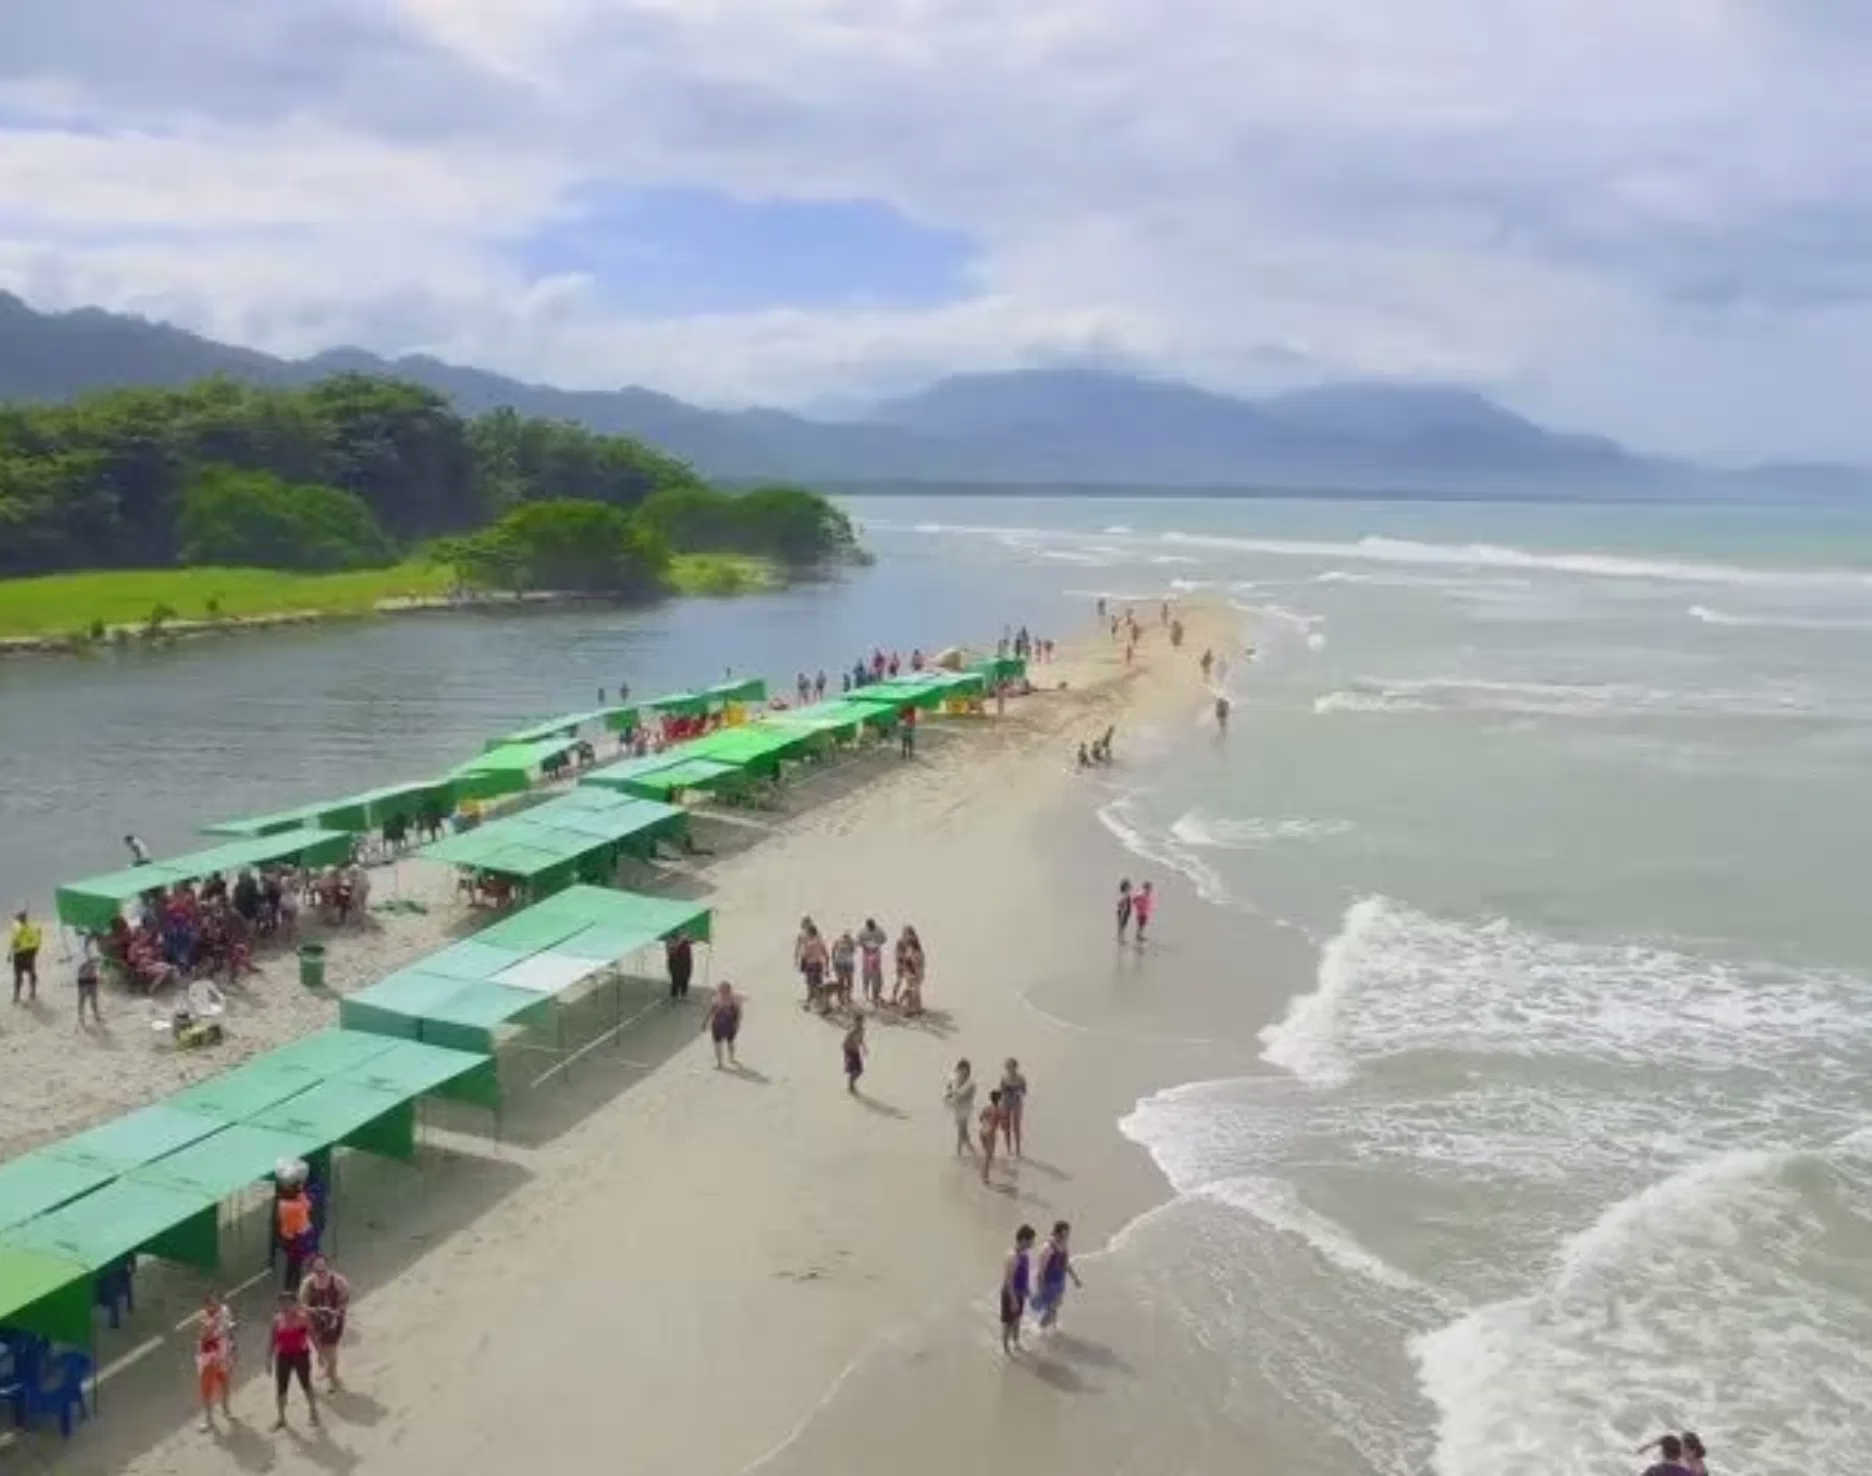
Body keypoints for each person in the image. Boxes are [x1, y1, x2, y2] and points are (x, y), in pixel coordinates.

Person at [268, 1292, 319, 1429]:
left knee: (306, 1384)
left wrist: (319, 1353)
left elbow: (313, 1335)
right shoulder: (277, 1320)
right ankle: (281, 1418)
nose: (285, 1306)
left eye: (288, 1303)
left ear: (295, 1304)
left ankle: (313, 1412)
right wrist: (268, 1358)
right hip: (283, 1356)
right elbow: (272, 1340)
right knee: (281, 1387)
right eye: (282, 1303)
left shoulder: (303, 1318)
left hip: (300, 1355)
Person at [300, 1254, 350, 1390]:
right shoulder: (307, 1284)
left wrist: (335, 1313)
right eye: (317, 1267)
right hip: (315, 1321)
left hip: (333, 1321)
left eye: (323, 1265)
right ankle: (326, 1367)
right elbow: (303, 1304)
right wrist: (318, 1311)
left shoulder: (338, 1281)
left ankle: (333, 1377)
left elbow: (345, 1299)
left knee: (331, 1350)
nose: (321, 1270)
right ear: (312, 1269)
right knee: (320, 1349)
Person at [1029, 1221, 1083, 1332]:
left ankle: (1053, 1328)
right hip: (1049, 1283)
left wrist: (1075, 1278)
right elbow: (1041, 1271)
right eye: (1063, 1234)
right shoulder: (1048, 1248)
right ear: (1057, 1233)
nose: (1066, 1237)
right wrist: (1040, 1289)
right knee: (1052, 1308)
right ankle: (1039, 1331)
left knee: (1055, 1307)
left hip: (1060, 1281)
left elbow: (1066, 1264)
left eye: (1067, 1234)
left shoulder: (1064, 1246)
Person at [196, 1289, 235, 1432]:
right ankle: (208, 1419)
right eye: (210, 1302)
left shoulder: (225, 1311)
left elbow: (229, 1331)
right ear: (206, 1304)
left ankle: (226, 1408)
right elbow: (204, 1336)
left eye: (216, 1301)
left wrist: (232, 1348)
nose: (214, 1305)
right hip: (208, 1357)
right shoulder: (203, 1317)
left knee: (225, 1383)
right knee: (207, 1388)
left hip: (223, 1354)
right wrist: (213, 1327)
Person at [1000, 1224, 1036, 1355]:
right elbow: (1008, 1281)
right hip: (1011, 1295)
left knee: (1017, 1320)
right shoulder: (1012, 1257)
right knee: (1008, 1323)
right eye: (1031, 1240)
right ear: (1024, 1240)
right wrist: (1013, 1300)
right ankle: (1005, 1349)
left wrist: (1028, 1292)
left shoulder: (1024, 1254)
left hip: (1020, 1294)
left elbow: (1023, 1276)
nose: (1033, 1243)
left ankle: (1016, 1342)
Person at [703, 981, 742, 1067]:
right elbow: (710, 1012)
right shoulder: (716, 1000)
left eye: (725, 990)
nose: (723, 992)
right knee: (717, 1044)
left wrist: (737, 1024)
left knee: (730, 1043)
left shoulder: (734, 1001)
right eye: (721, 990)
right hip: (717, 1025)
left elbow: (738, 1013)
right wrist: (705, 1022)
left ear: (729, 990)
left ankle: (731, 1058)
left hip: (729, 1025)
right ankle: (719, 1062)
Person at [943, 1059, 977, 1156]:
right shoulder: (955, 1079)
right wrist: (948, 1094)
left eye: (965, 1070)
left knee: (961, 1131)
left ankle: (959, 1152)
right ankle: (972, 1151)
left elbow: (962, 1096)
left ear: (968, 1070)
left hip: (966, 1109)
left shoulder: (971, 1083)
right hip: (957, 1108)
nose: (962, 1072)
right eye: (961, 1070)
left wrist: (952, 1094)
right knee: (963, 1132)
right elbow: (949, 1090)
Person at [9, 908, 41, 1004]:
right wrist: (35, 951)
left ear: (19, 919)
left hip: (19, 955)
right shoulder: (32, 928)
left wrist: (10, 954)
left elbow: (13, 942)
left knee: (18, 976)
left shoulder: (16, 928)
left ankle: (16, 996)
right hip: (29, 954)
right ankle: (32, 992)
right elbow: (37, 940)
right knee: (31, 973)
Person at [797, 920, 829, 1012]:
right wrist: (826, 966)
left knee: (810, 985)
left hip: (810, 965)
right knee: (818, 984)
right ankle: (821, 1004)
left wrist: (801, 964)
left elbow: (805, 955)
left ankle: (809, 1004)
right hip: (819, 964)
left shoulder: (809, 944)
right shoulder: (820, 941)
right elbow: (826, 954)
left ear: (810, 933)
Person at [1000, 1059, 1028, 1157]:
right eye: (1008, 1067)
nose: (1010, 1068)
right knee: (1007, 1126)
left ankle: (1018, 1150)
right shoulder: (1004, 1078)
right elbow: (1001, 1091)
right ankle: (1008, 1150)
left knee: (1016, 1127)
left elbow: (1024, 1091)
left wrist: (1018, 1092)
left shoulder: (1021, 1078)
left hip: (1016, 1102)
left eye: (1011, 1066)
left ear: (1015, 1067)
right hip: (1006, 1102)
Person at [858, 918, 888, 1006]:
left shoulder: (878, 930)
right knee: (867, 976)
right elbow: (858, 942)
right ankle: (866, 995)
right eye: (870, 927)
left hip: (875, 954)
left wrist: (877, 944)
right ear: (867, 926)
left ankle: (875, 996)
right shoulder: (863, 932)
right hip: (867, 955)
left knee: (876, 976)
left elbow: (884, 939)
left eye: (872, 927)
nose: (871, 928)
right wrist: (865, 945)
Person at [979, 1088, 1005, 1184]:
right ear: (1000, 1099)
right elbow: (1002, 1124)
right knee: (988, 1156)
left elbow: (980, 1118)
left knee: (987, 1154)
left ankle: (984, 1172)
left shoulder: (986, 1108)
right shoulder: (999, 1110)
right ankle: (985, 1176)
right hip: (991, 1133)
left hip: (982, 1131)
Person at [831, 928, 857, 1012]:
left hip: (846, 963)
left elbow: (853, 951)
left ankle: (846, 997)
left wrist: (833, 960)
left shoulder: (850, 941)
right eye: (846, 936)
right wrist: (833, 961)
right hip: (842, 963)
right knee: (842, 981)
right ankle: (842, 997)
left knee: (847, 981)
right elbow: (833, 950)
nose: (846, 938)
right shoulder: (840, 941)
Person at [76, 946, 103, 1027]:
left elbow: (98, 962)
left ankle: (96, 1015)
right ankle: (81, 1016)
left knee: (93, 999)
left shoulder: (93, 950)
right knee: (82, 999)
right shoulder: (80, 955)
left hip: (92, 979)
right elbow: (78, 969)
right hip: (83, 979)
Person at [665, 929, 694, 1002]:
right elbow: (672, 950)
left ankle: (684, 995)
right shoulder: (670, 939)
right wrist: (681, 940)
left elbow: (693, 941)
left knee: (685, 978)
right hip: (675, 963)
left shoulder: (685, 940)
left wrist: (689, 937)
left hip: (686, 963)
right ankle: (674, 996)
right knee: (676, 979)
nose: (679, 933)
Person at [843, 1011, 867, 1093]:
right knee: (855, 1070)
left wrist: (864, 1048)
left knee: (859, 1070)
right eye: (858, 1021)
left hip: (856, 1052)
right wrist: (846, 1055)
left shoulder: (862, 1030)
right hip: (850, 1051)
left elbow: (860, 1039)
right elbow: (845, 1043)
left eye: (861, 1021)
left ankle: (851, 1084)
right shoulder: (852, 1031)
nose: (859, 1023)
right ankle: (851, 1086)